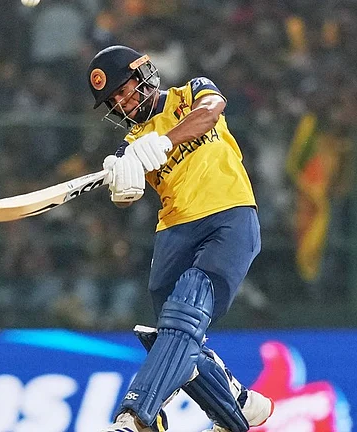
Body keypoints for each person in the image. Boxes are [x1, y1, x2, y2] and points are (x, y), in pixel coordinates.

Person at [88, 45, 274, 432]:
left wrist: (164, 142)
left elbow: (210, 112)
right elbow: (127, 197)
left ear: (143, 76)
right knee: (175, 335)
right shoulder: (130, 144)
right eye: (113, 100)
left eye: (124, 90)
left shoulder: (188, 94)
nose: (122, 103)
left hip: (229, 216)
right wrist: (122, 174)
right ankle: (237, 407)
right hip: (173, 232)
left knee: (186, 311)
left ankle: (137, 416)